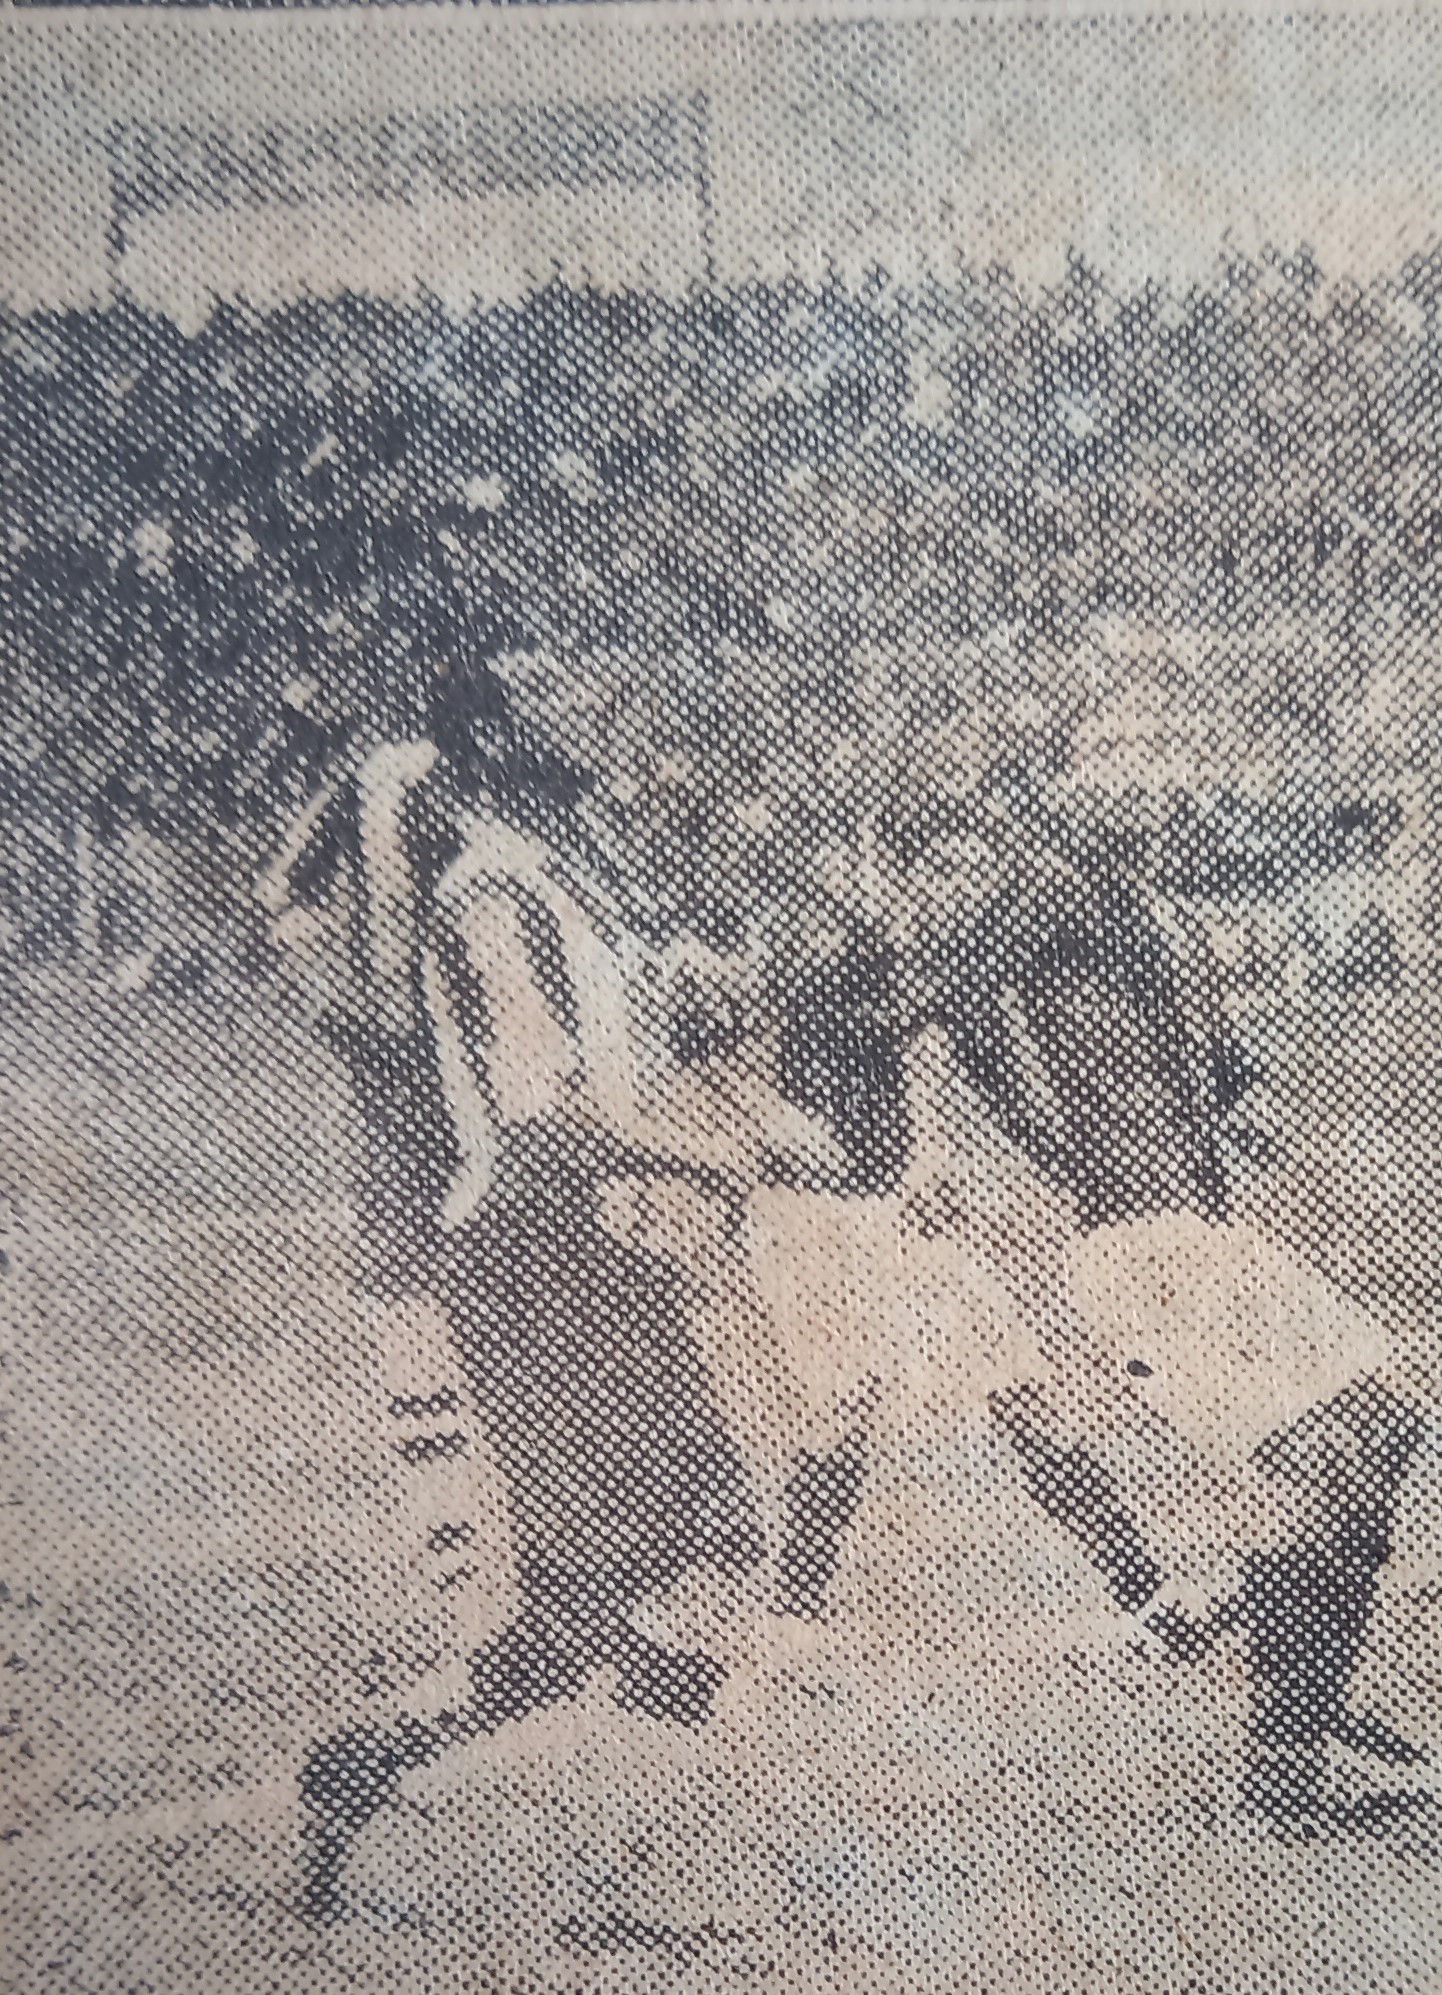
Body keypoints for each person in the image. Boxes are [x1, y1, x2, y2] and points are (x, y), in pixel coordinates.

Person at [266, 661, 854, 1923]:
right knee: (702, 1546)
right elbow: (541, 1122)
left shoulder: (542, 885)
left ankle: (361, 1770)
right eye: (555, 701)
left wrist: (732, 1113)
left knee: (588, 1610)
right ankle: (626, 1880)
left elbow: (605, 1074)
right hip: (541, 1265)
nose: (590, 706)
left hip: (574, 1262)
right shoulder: (493, 900)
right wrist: (719, 1157)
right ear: (501, 754)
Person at [886, 796, 1433, 1837]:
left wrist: (1252, 1110)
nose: (1140, 788)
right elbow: (941, 988)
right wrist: (981, 1142)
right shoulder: (1048, 892)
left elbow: (1227, 1078)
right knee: (1339, 1454)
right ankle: (1284, 1754)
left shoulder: (1165, 917)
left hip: (1202, 1242)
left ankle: (1295, 1696)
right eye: (1113, 766)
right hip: (1134, 1255)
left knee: (1373, 1430)